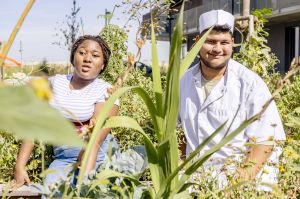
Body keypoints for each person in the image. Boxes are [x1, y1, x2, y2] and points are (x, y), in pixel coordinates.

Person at [179, 10, 286, 189]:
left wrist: (233, 188)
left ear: (232, 43)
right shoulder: (184, 81)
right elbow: (178, 133)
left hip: (242, 181)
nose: (217, 49)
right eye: (210, 41)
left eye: (224, 42)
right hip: (196, 180)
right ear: (197, 42)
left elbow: (265, 142)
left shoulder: (250, 83)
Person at [12, 35, 119, 191]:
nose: (88, 58)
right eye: (82, 53)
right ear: (73, 57)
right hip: (63, 156)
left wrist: (85, 184)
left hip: (97, 155)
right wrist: (20, 167)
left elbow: (95, 141)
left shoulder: (106, 91)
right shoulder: (55, 83)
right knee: (52, 193)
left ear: (103, 65)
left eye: (95, 56)